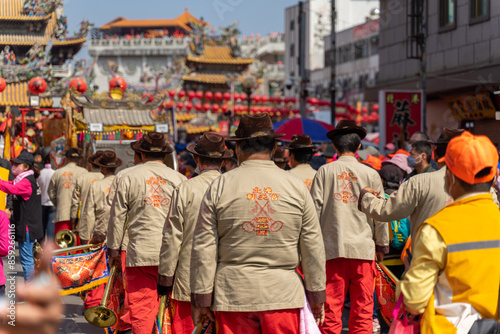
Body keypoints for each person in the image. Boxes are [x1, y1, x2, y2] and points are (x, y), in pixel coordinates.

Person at [191, 114, 326, 333]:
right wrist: (317, 293)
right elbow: (312, 244)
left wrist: (201, 298)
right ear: (274, 147)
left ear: (237, 149)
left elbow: (203, 247)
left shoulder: (220, 186)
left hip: (233, 293)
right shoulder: (296, 186)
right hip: (282, 295)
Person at [399, 131, 500, 334]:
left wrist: (402, 284)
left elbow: (414, 300)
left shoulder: (436, 228)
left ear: (451, 176)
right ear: (493, 176)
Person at [310, 120, 389, 334]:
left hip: (331, 248)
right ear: (359, 147)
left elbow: (314, 213)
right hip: (363, 249)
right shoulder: (370, 173)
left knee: (331, 308)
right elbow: (380, 213)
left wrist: (311, 249)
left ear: (334, 146)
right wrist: (381, 245)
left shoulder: (324, 172)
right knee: (363, 308)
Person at [108, 132, 186, 334]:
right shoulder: (180, 179)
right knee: (172, 308)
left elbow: (117, 218)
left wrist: (114, 251)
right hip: (174, 254)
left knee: (141, 307)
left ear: (141, 155)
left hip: (139, 253)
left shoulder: (126, 176)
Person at [158, 133, 232, 334]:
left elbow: (172, 237)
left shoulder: (185, 189)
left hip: (189, 276)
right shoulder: (233, 188)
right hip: (226, 277)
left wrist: (165, 277)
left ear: (197, 160)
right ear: (224, 161)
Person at [358, 128, 464, 250]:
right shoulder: (481, 186)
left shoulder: (419, 182)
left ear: (435, 156)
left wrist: (366, 196)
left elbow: (386, 210)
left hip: (428, 259)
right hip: (469, 261)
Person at [89, 140, 144, 334]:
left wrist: (94, 237)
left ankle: (124, 323)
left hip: (122, 240)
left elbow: (106, 214)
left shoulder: (121, 179)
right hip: (154, 245)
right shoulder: (177, 178)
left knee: (123, 287)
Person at [79, 151, 121, 311]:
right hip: (119, 235)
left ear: (102, 168)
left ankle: (94, 301)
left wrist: (85, 237)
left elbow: (89, 213)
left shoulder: (96, 185)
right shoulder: (123, 182)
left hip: (99, 233)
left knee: (98, 269)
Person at [0, 150, 43, 281]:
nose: (14, 166)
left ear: (26, 167)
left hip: (27, 226)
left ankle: (30, 292)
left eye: (17, 164)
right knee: (28, 259)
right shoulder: (25, 179)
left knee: (27, 260)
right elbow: (10, 184)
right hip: (29, 225)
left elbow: (11, 189)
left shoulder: (26, 182)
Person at [48, 148, 88, 239]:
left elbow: (51, 193)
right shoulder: (84, 172)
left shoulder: (58, 172)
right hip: (79, 214)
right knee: (77, 246)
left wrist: (59, 203)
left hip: (63, 213)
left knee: (62, 246)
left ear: (67, 158)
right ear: (78, 159)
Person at [70, 151, 104, 234]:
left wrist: (73, 220)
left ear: (91, 165)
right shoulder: (108, 179)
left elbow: (75, 202)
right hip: (104, 222)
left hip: (85, 223)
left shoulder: (82, 178)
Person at [37, 155, 56, 241]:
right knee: (51, 229)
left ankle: (40, 249)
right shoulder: (54, 173)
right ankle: (50, 250)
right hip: (52, 203)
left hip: (42, 202)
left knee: (41, 227)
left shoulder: (40, 173)